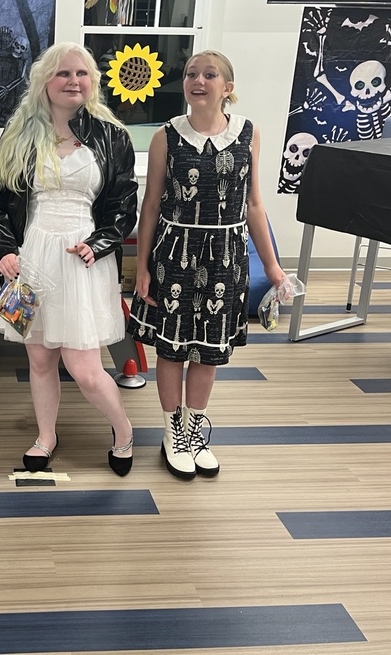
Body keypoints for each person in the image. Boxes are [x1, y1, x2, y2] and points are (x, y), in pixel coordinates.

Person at [0, 42, 138, 476]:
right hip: (30, 258)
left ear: (92, 81)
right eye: (63, 73)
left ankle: (124, 430)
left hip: (83, 260)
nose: (73, 81)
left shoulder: (112, 136)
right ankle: (46, 436)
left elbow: (123, 205)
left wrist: (100, 242)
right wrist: (4, 250)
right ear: (45, 81)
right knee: (40, 359)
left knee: (84, 368)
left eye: (81, 73)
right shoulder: (19, 133)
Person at [128, 50, 286, 480]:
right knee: (172, 348)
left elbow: (254, 204)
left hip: (226, 255)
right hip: (175, 251)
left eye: (209, 74)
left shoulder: (249, 133)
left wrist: (272, 267)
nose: (198, 81)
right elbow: (151, 206)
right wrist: (141, 267)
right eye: (191, 74)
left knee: (209, 350)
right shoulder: (166, 136)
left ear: (227, 87)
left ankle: (195, 429)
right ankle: (172, 432)